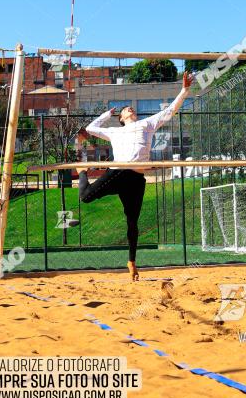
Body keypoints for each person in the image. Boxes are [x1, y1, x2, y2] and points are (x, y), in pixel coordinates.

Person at [77, 71, 194, 280]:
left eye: (130, 108)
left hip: (137, 179)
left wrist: (184, 90)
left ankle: (131, 261)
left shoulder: (146, 124)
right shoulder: (114, 131)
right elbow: (90, 128)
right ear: (121, 118)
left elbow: (169, 111)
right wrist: (107, 115)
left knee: (133, 222)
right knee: (85, 197)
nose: (129, 109)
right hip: (118, 172)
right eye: (125, 110)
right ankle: (82, 172)